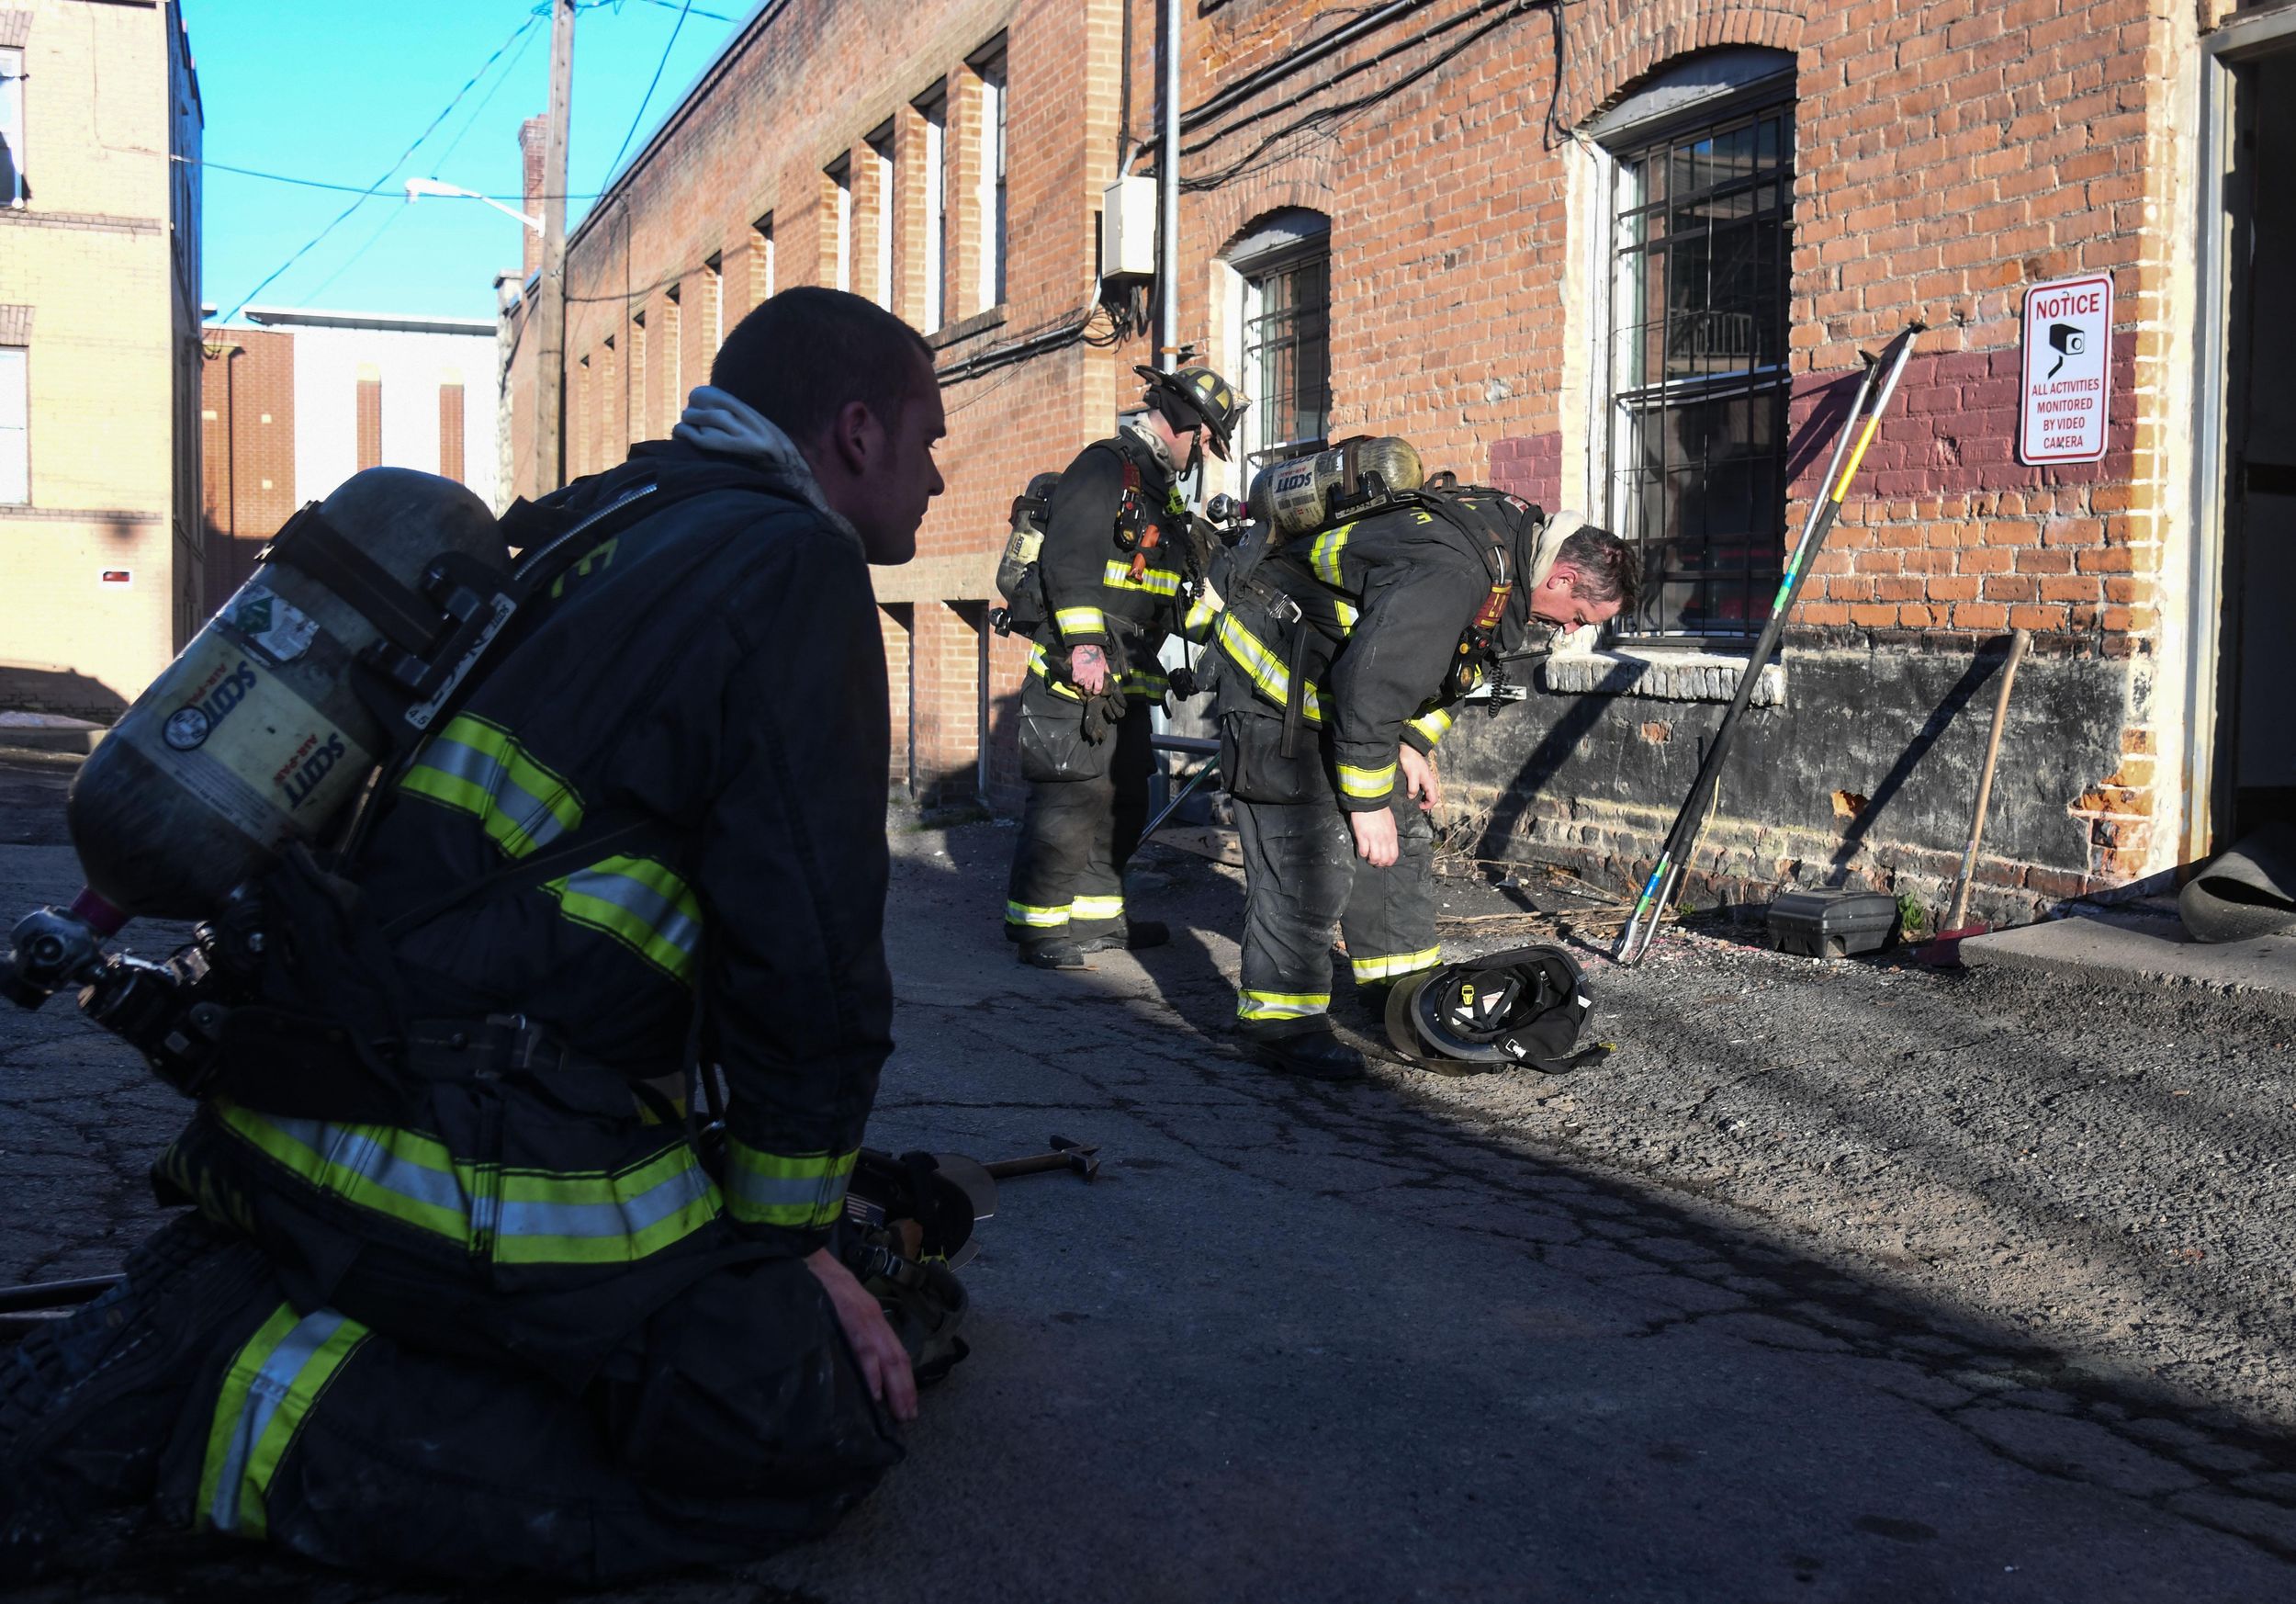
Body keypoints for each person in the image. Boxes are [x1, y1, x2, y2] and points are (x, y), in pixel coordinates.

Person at [0, 288, 950, 1584]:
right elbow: (808, 950)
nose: (941, 477)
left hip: (307, 1104)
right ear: (855, 432)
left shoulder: (602, 523)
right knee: (804, 1425)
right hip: (437, 1156)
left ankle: (279, 1320)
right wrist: (792, 1247)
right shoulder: (794, 571)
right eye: (929, 438)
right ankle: (251, 1409)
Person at [1210, 482, 1638, 1080]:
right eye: (1579, 618)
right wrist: (1364, 803)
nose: (1569, 631)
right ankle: (1280, 1027)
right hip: (1276, 688)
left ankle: (1401, 1001)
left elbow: (1457, 662)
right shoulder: (1458, 570)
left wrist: (1410, 746)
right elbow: (1373, 682)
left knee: (1401, 842)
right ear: (1563, 578)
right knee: (1309, 858)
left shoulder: (1509, 560)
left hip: (1346, 698)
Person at [1003, 365, 1244, 970]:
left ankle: (1099, 919)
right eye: (1207, 437)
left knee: (1124, 798)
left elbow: (1169, 603)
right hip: (1078, 669)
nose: (1205, 450)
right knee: (1072, 794)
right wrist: (1084, 646)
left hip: (1130, 675)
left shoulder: (1160, 494)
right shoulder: (1107, 466)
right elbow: (1069, 561)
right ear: (1185, 422)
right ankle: (1037, 927)